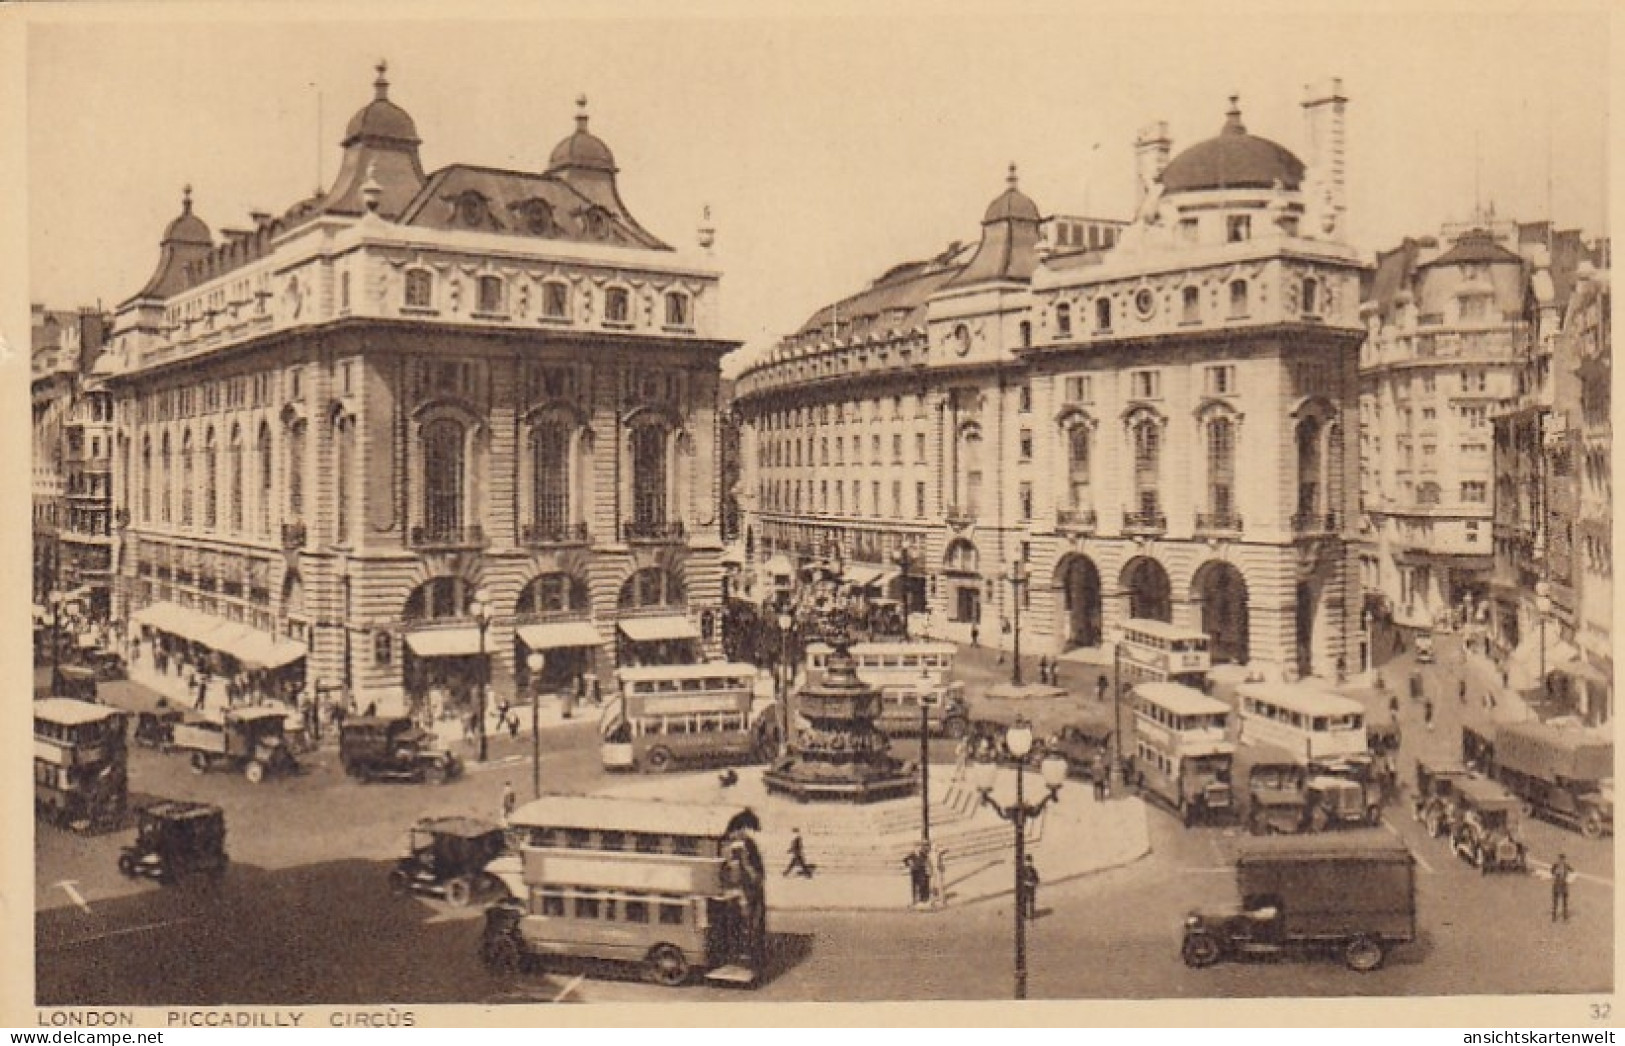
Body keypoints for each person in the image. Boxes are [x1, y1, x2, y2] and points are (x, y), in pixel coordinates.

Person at [1551, 854, 1573, 922]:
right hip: (1557, 885)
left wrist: (1569, 877)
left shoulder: (1566, 865)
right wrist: (1555, 872)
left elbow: (1572, 871)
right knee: (1555, 902)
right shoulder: (1555, 865)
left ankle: (1565, 916)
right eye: (1561, 859)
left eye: (1563, 859)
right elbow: (1551, 871)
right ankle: (1554, 916)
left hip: (1564, 885)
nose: (1561, 860)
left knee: (1565, 902)